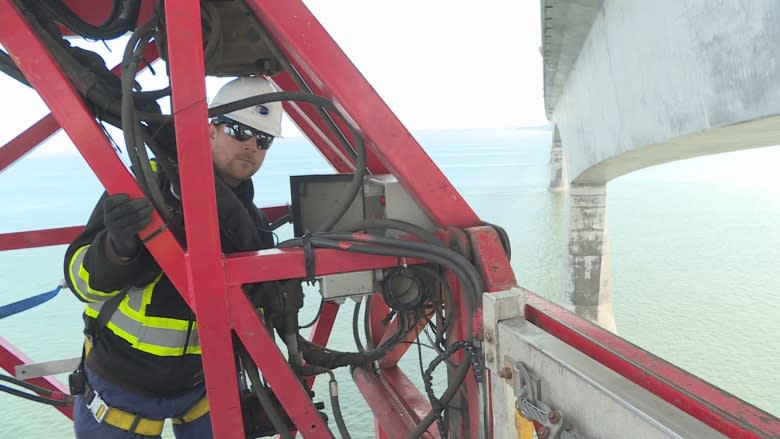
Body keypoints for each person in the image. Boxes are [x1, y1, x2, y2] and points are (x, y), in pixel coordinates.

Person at [63, 76, 282, 438]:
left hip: (202, 391)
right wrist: (114, 249)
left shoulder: (250, 225)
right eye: (239, 131)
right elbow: (81, 282)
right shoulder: (144, 186)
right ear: (211, 130)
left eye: (264, 139)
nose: (252, 147)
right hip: (119, 389)